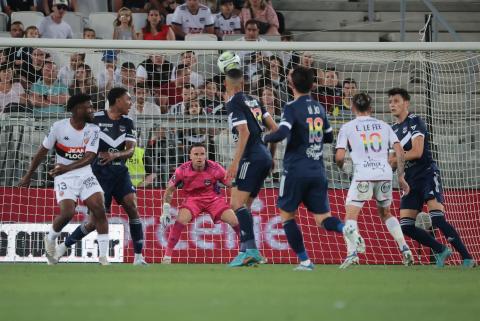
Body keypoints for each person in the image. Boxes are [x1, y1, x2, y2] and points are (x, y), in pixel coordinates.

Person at [262, 66, 345, 270]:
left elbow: (281, 133)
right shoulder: (319, 107)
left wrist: (264, 137)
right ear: (312, 85)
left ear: (291, 84)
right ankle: (345, 227)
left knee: (286, 214)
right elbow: (328, 137)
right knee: (322, 219)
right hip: (317, 170)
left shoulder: (291, 107)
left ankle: (305, 261)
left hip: (296, 169)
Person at [388, 87, 476, 268]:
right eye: (390, 102)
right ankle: (441, 249)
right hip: (409, 179)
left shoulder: (415, 121)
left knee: (437, 218)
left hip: (427, 174)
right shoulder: (392, 130)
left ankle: (467, 257)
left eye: (396, 101)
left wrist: (397, 157)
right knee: (406, 225)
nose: (392, 105)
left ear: (406, 103)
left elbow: (418, 152)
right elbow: (391, 161)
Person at [18, 93, 110, 265]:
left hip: (84, 174)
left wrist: (67, 167)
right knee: (67, 213)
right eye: (88, 107)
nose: (92, 110)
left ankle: (103, 257)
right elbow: (41, 152)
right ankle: (50, 238)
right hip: (64, 177)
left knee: (99, 209)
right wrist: (28, 175)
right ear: (76, 109)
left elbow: (90, 156)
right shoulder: (59, 127)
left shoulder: (93, 129)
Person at [335, 92, 413, 268]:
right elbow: (399, 151)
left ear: (353, 107)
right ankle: (405, 249)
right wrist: (400, 176)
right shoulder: (384, 126)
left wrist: (342, 167)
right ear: (371, 108)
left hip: (363, 175)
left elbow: (339, 156)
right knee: (386, 213)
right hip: (384, 175)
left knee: (351, 215)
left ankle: (352, 254)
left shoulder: (347, 127)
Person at [224, 67, 277, 266]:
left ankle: (252, 250)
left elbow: (244, 133)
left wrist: (235, 162)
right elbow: (275, 129)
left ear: (226, 85)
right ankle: (247, 252)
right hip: (263, 156)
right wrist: (270, 157)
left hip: (251, 157)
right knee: (244, 207)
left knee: (236, 204)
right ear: (243, 84)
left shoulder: (233, 102)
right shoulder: (255, 100)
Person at [159, 143, 241, 263]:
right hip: (192, 199)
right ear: (190, 156)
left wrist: (237, 201)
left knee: (235, 221)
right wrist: (165, 211)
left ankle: (248, 251)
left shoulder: (216, 168)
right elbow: (169, 190)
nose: (199, 157)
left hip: (213, 199)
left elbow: (232, 184)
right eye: (196, 154)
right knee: (180, 221)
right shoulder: (182, 170)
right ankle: (167, 257)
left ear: (206, 155)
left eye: (202, 154)